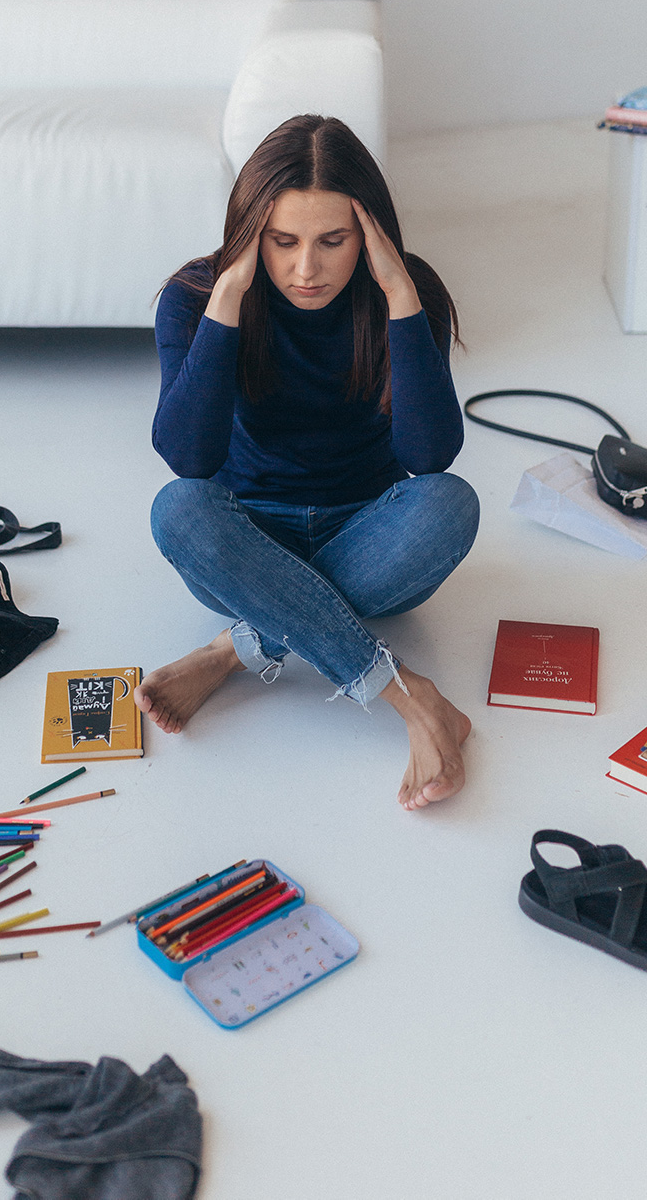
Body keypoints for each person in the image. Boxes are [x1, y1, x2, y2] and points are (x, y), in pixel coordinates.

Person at [136, 114, 479, 808]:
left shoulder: (406, 292)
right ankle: (407, 696)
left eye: (333, 241)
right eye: (281, 241)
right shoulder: (194, 296)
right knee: (178, 511)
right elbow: (187, 458)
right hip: (246, 540)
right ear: (249, 234)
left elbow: (429, 456)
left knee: (451, 501)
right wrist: (228, 298)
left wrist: (401, 296)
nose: (305, 269)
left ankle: (234, 648)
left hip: (370, 535)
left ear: (368, 233)